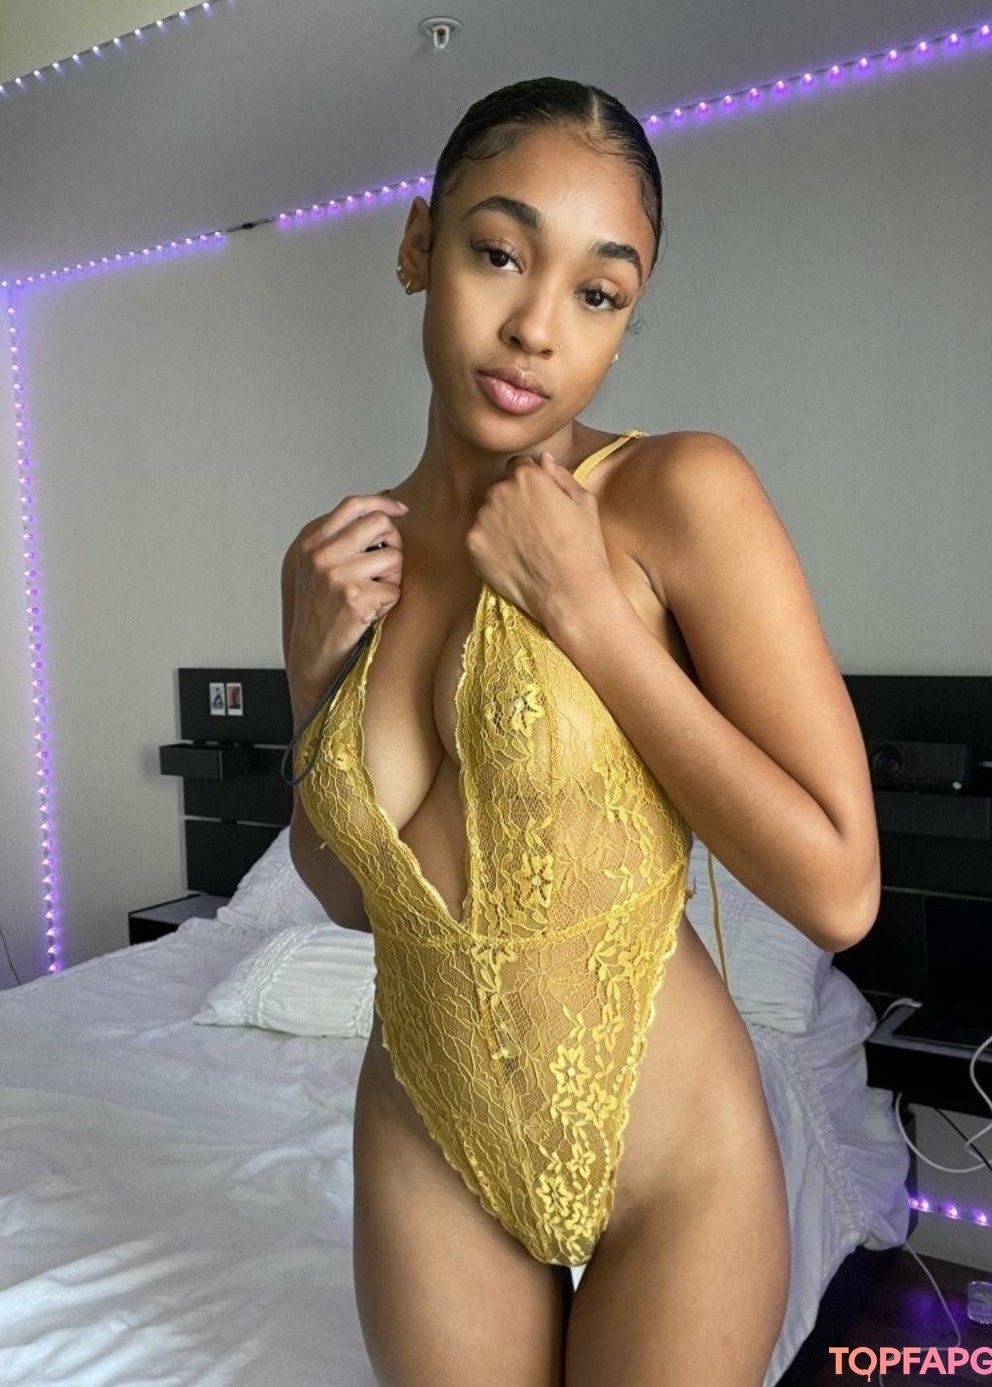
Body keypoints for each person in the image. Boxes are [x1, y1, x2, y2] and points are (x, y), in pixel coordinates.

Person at [281, 76, 879, 1387]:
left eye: (600, 293)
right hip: (428, 1135)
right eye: (500, 254)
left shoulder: (677, 490)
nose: (537, 328)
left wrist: (590, 617)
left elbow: (841, 890)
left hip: (673, 1170)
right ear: (418, 244)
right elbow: (352, 897)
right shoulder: (343, 560)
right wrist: (311, 683)